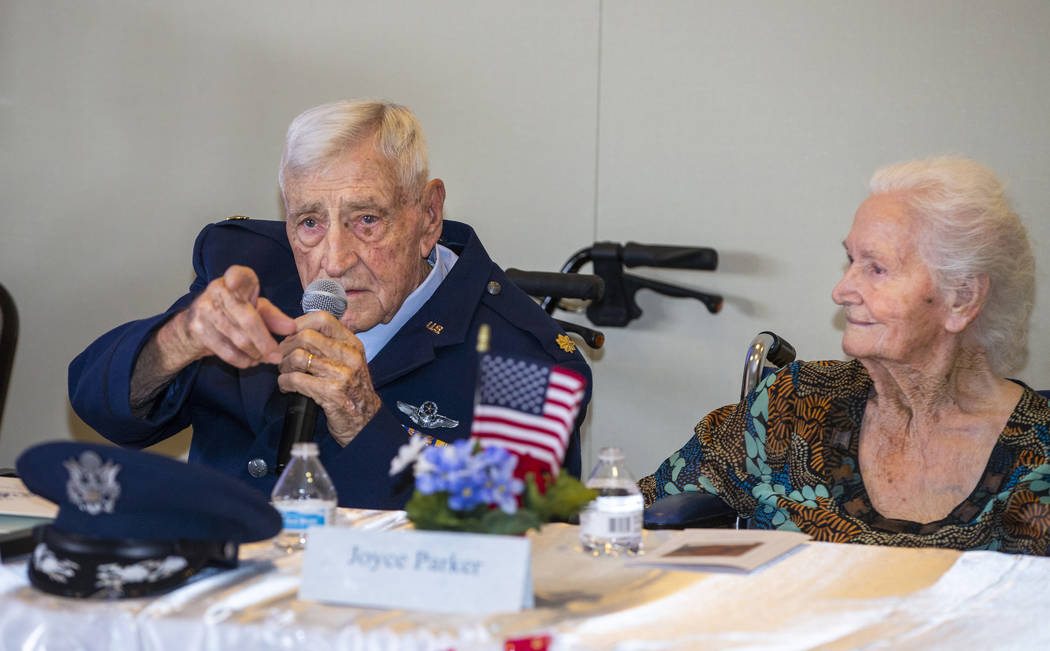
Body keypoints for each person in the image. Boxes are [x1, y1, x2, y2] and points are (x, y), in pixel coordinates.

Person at [69, 100, 590, 509]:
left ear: (428, 216)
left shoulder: (528, 360)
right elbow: (99, 407)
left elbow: (516, 539)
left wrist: (366, 420)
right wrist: (177, 339)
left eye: (367, 220)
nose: (334, 261)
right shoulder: (253, 272)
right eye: (310, 222)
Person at [641, 157, 1050, 554]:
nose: (841, 291)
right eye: (852, 260)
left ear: (963, 297)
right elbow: (631, 509)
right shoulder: (793, 406)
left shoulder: (1040, 458)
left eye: (876, 269)